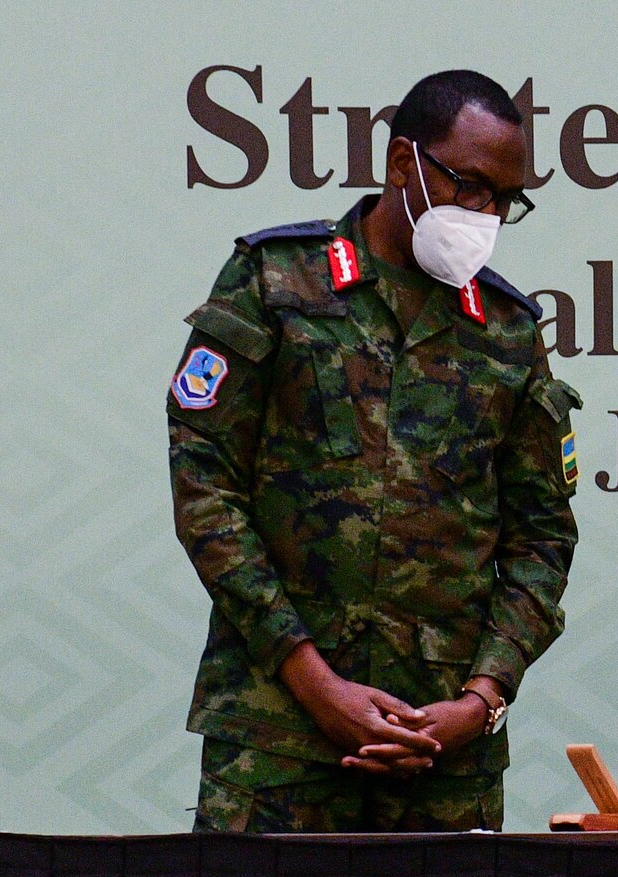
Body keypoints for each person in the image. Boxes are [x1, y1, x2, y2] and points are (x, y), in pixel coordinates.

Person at [168, 69, 580, 832]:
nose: (484, 212)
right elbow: (205, 488)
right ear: (402, 164)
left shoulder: (510, 332)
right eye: (469, 185)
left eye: (504, 200)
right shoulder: (275, 282)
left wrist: (479, 702)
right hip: (277, 741)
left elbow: (542, 540)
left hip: (441, 759)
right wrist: (314, 681)